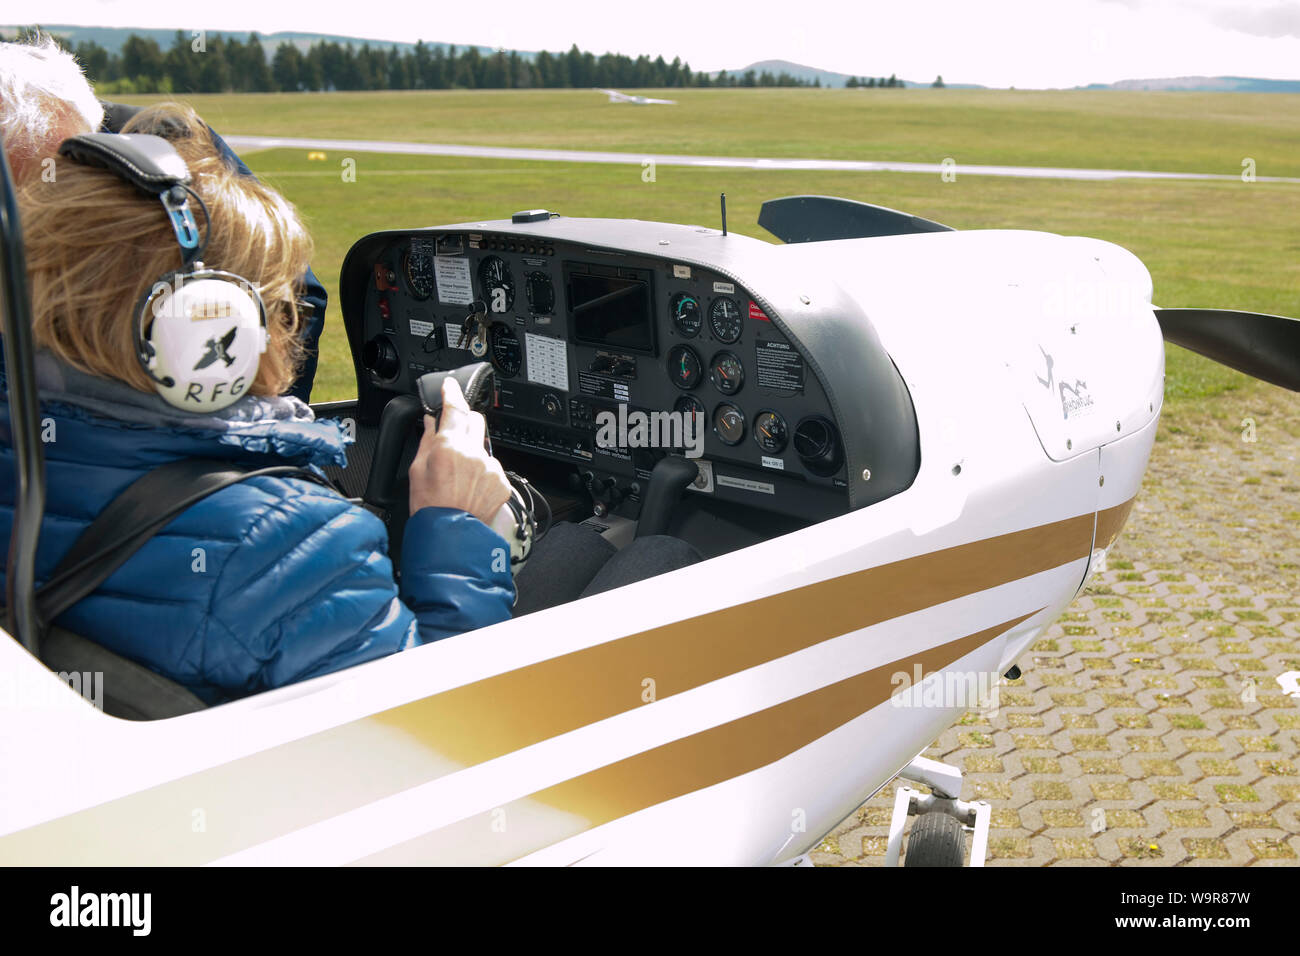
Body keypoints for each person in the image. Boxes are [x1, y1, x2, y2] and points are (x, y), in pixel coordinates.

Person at [0, 103, 516, 704]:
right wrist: (460, 524)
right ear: (205, 329)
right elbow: (442, 722)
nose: (284, 326)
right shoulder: (286, 545)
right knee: (640, 550)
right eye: (274, 303)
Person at [0, 34, 325, 402]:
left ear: (90, 136)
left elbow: (294, 293)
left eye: (51, 180)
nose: (38, 211)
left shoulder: (170, 146)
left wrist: (241, 417)